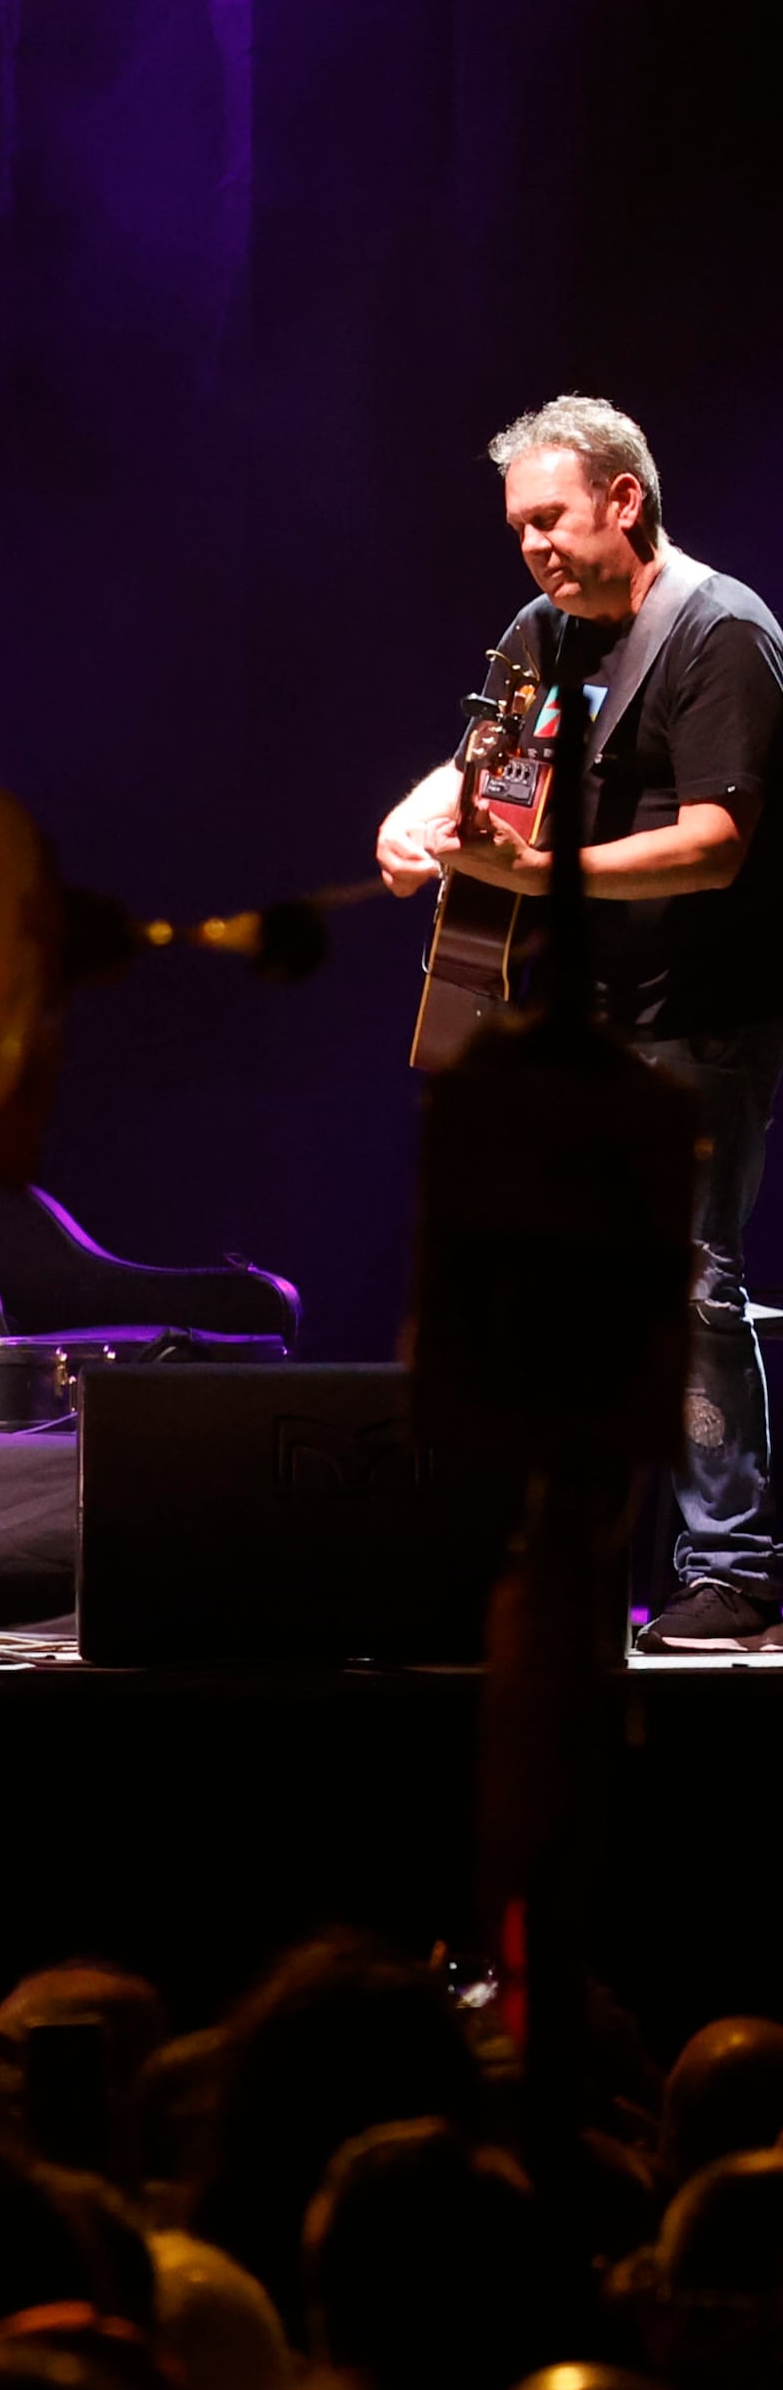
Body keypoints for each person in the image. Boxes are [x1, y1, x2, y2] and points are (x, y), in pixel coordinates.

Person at [374, 394, 783, 1647]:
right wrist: (414, 812)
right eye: (517, 530)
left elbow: (715, 846)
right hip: (570, 1016)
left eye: (550, 518)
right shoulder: (537, 632)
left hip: (695, 1018)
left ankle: (732, 1571)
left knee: (691, 1285)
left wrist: (527, 874)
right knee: (551, 1282)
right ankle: (557, 1553)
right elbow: (485, 756)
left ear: (622, 499)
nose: (534, 547)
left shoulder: (718, 634)